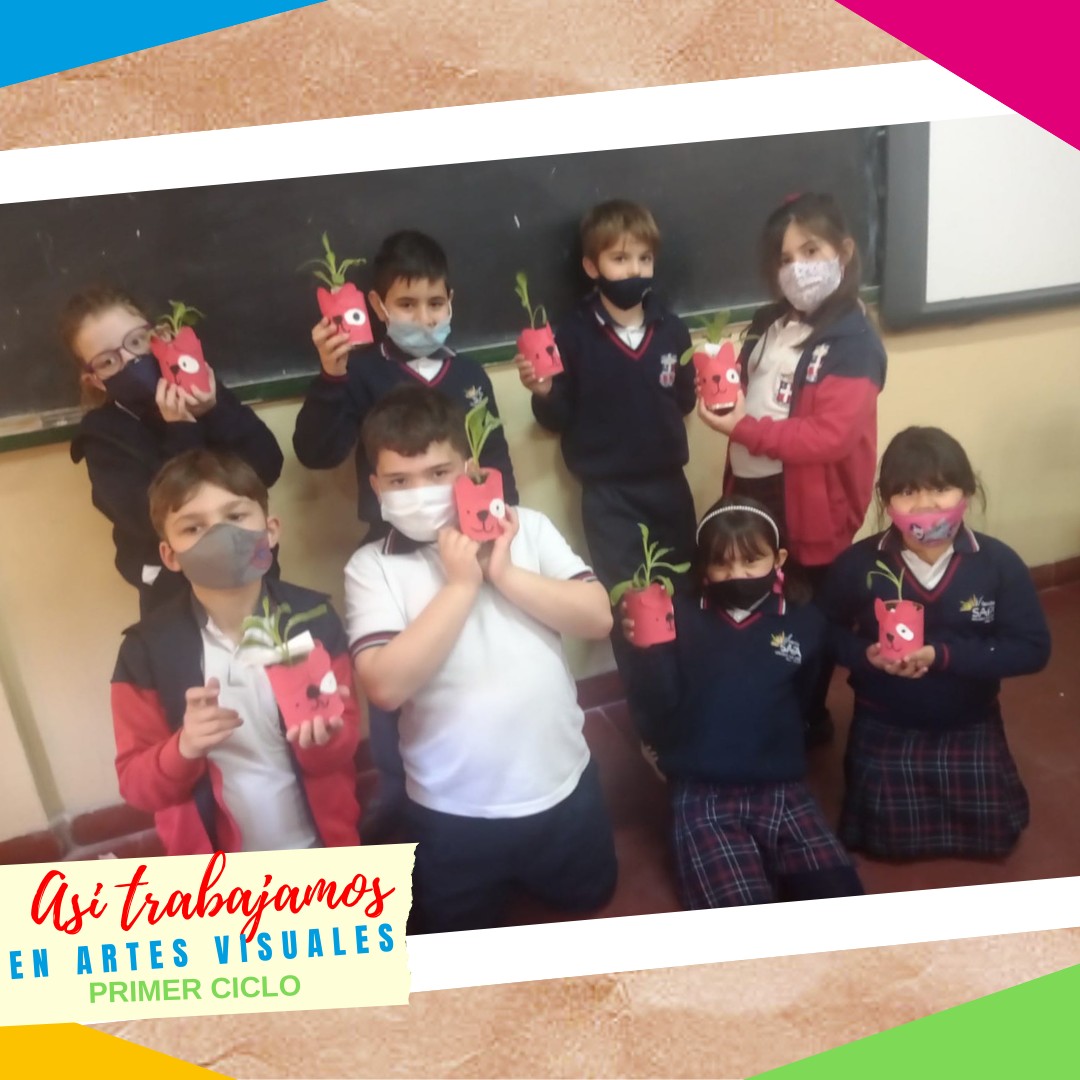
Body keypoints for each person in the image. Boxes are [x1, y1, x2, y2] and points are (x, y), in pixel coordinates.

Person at [345, 384, 617, 933]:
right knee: (455, 935)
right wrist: (460, 586)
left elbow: (597, 618)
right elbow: (385, 686)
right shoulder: (372, 566)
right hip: (451, 809)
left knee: (591, 899)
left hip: (562, 786)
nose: (420, 492)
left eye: (438, 472)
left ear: (470, 469)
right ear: (376, 487)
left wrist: (505, 573)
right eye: (399, 481)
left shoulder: (527, 526)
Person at [293, 230, 519, 840]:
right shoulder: (361, 370)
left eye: (435, 303)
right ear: (376, 305)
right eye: (407, 304)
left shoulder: (469, 374)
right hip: (393, 547)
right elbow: (316, 451)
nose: (423, 317)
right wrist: (331, 378)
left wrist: (504, 528)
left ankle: (485, 776)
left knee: (472, 657)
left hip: (472, 541)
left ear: (451, 302)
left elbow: (495, 455)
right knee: (398, 673)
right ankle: (400, 794)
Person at [697, 193, 887, 747]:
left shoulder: (854, 342)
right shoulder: (768, 323)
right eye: (785, 258)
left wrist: (741, 428)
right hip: (752, 487)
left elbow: (830, 437)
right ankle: (765, 704)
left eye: (811, 251)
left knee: (808, 613)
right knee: (762, 601)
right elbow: (746, 390)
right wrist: (712, 378)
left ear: (843, 253)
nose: (797, 268)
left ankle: (807, 717)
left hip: (812, 503)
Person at [110, 449, 361, 856]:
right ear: (170, 556)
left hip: (323, 851)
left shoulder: (314, 619)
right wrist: (184, 747)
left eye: (236, 516)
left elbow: (341, 747)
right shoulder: (146, 652)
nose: (220, 537)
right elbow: (137, 787)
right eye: (194, 527)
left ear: (271, 531)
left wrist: (323, 739)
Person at [820, 427, 1052, 860]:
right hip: (884, 718)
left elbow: (1032, 648)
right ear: (885, 499)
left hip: (969, 718)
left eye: (941, 488)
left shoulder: (999, 564)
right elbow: (824, 631)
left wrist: (944, 655)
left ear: (967, 492)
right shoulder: (857, 564)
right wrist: (864, 656)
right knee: (888, 846)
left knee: (992, 840)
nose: (925, 505)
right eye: (908, 491)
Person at [621, 496, 863, 908]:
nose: (737, 574)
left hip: (783, 786)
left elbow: (805, 697)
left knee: (842, 897)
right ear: (704, 566)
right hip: (703, 790)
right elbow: (659, 701)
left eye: (751, 561)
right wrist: (648, 653)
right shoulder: (678, 616)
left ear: (778, 558)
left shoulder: (805, 621)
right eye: (722, 564)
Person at [517, 198, 697, 741]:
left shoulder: (671, 329)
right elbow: (557, 416)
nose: (634, 270)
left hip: (669, 488)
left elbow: (684, 399)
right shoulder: (571, 335)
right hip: (609, 497)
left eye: (644, 258)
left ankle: (692, 710)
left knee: (683, 602)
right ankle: (656, 729)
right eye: (620, 259)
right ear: (592, 266)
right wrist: (543, 392)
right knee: (634, 612)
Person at [64, 286, 284, 618]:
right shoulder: (103, 436)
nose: (131, 360)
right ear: (94, 380)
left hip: (250, 571)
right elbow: (149, 518)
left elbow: (267, 467)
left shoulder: (199, 389)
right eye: (108, 361)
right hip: (174, 592)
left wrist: (214, 410)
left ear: (162, 336)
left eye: (137, 341)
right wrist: (182, 430)